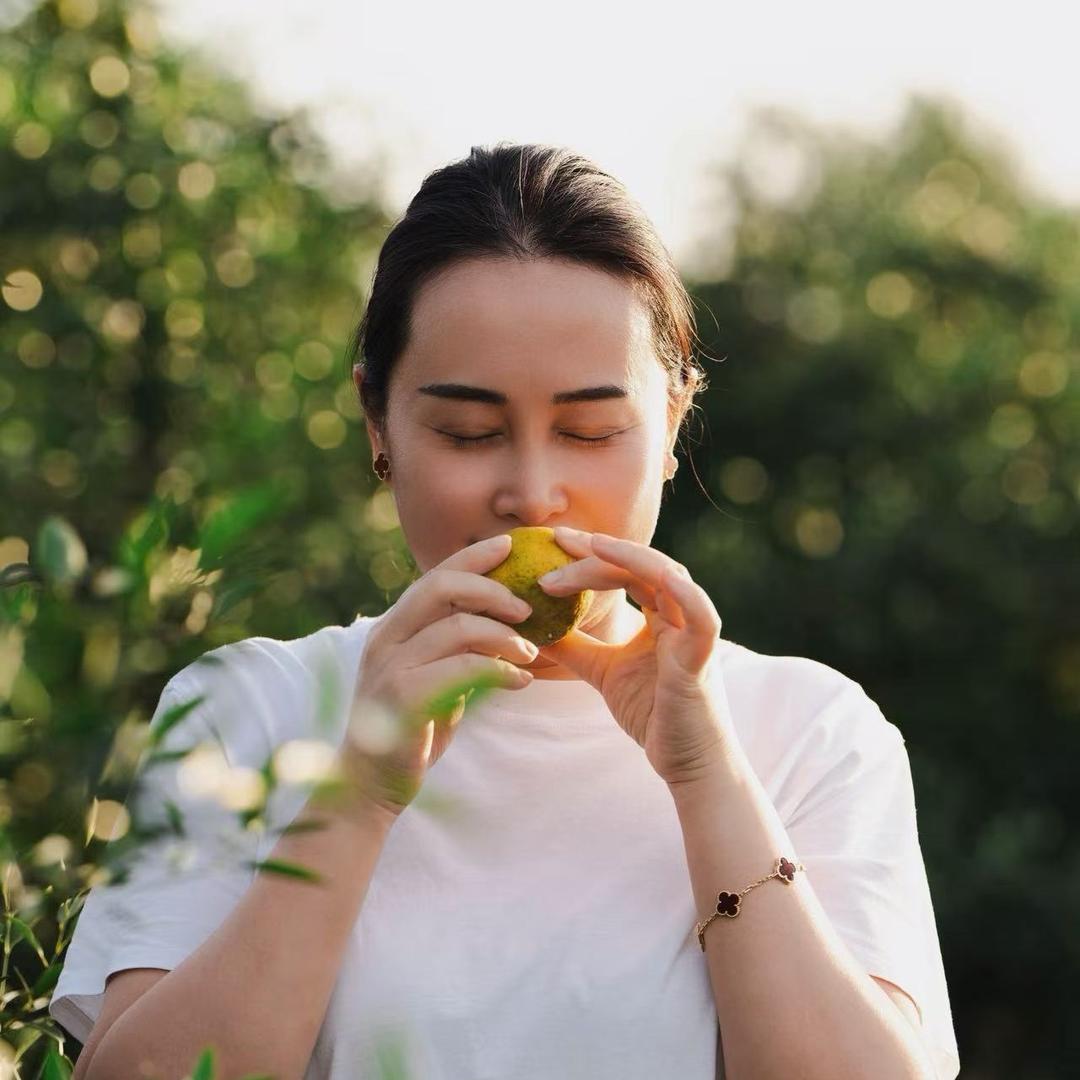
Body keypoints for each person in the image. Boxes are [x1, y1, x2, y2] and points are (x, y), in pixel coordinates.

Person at [50, 143, 960, 1079]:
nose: (532, 495)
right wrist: (357, 796)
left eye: (591, 431)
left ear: (674, 421)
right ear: (377, 423)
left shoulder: (807, 732)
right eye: (469, 432)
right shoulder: (250, 709)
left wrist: (705, 777)